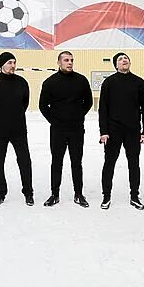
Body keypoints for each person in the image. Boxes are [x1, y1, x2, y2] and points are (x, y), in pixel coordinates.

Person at [39, 51, 93, 207]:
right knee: (57, 162)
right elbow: (43, 106)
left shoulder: (81, 80)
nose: (69, 63)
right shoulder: (50, 82)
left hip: (76, 129)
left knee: (77, 162)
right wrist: (54, 120)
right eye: (66, 60)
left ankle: (78, 194)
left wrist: (77, 116)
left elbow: (88, 102)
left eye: (71, 60)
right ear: (59, 62)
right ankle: (54, 194)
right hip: (58, 130)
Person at [98, 52, 144, 210]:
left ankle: (134, 196)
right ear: (116, 65)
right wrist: (104, 131)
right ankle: (106, 196)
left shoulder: (139, 82)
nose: (124, 60)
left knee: (134, 163)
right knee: (109, 163)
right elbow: (103, 109)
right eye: (120, 59)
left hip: (133, 130)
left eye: (126, 58)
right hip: (113, 130)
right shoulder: (109, 83)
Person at [0, 51, 33, 206]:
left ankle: (28, 192)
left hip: (18, 129)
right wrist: (1, 117)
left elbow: (25, 103)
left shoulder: (22, 83)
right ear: (2, 65)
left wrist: (14, 115)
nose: (13, 66)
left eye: (14, 62)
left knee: (24, 161)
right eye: (9, 63)